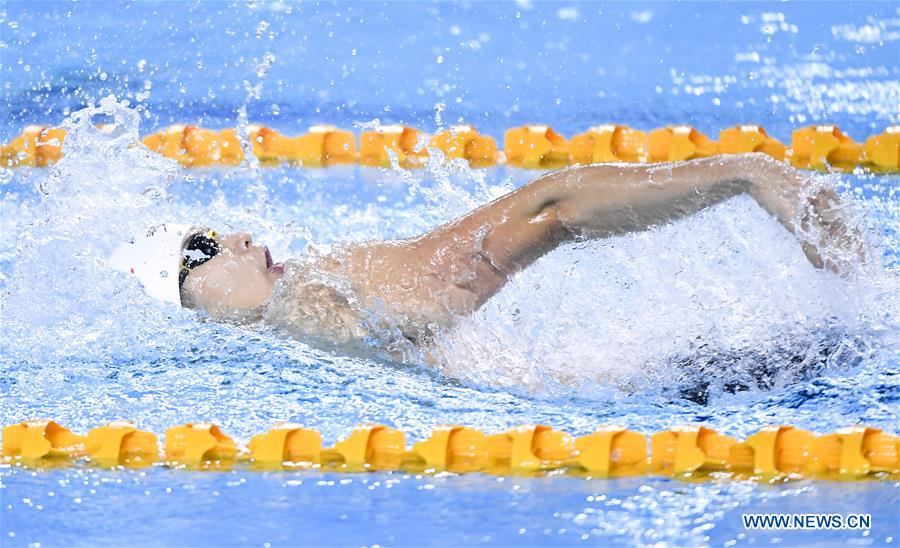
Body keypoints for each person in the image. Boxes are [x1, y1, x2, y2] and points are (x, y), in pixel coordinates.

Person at [111, 153, 863, 360]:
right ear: (186, 299)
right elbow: (548, 214)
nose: (239, 238)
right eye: (203, 247)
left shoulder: (308, 301)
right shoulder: (310, 297)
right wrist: (740, 174)